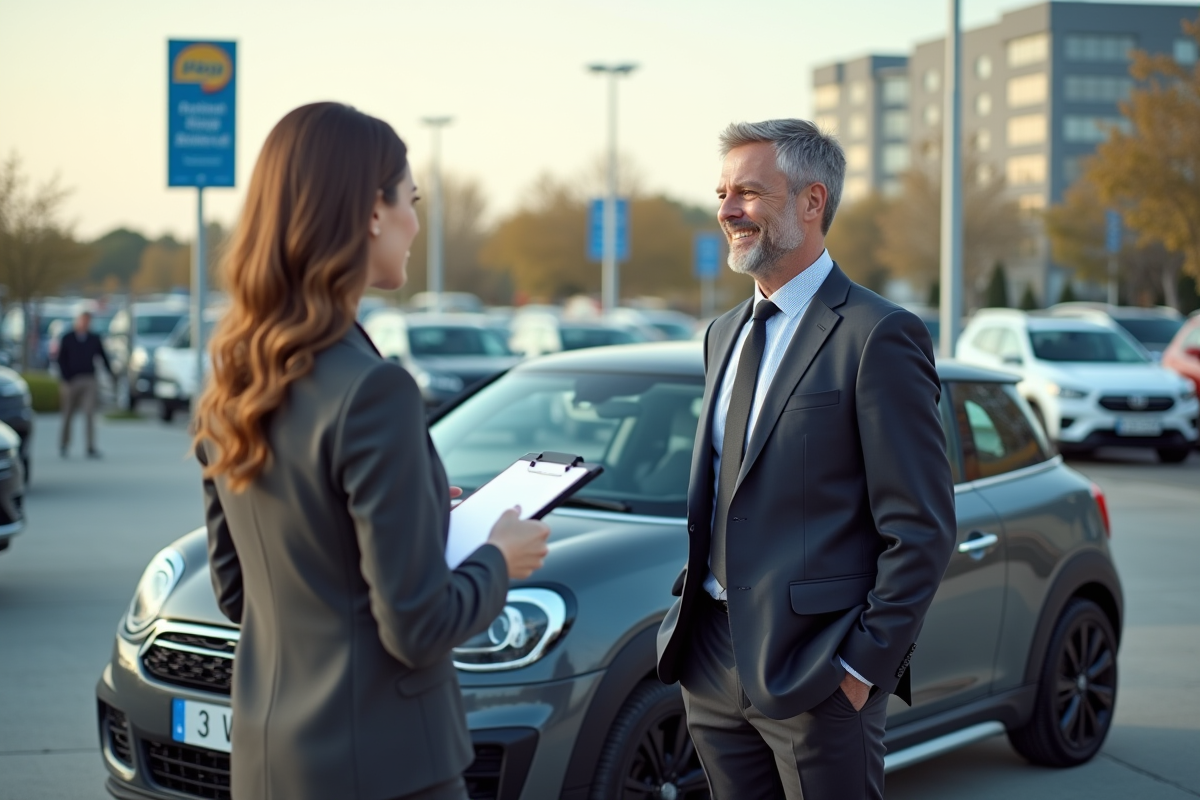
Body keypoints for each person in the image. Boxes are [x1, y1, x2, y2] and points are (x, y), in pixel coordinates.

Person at [192, 103, 551, 800]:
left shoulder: (233, 378)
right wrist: (498, 558)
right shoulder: (373, 389)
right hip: (387, 773)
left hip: (271, 767)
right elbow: (419, 628)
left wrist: (420, 516)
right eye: (410, 200)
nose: (417, 222)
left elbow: (242, 593)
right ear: (370, 213)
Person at [656, 119, 957, 800]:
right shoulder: (722, 334)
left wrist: (861, 669)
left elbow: (923, 529)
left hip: (817, 673)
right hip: (710, 661)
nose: (728, 210)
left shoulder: (877, 335)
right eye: (723, 192)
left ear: (812, 202)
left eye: (750, 193)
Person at [55, 309, 114, 458]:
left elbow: (103, 356)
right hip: (71, 380)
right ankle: (64, 444)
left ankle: (90, 446)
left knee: (89, 413)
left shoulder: (94, 338)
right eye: (83, 320)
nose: (85, 324)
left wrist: (110, 373)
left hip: (89, 379)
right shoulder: (67, 338)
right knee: (68, 414)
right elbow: (60, 360)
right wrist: (66, 377)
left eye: (88, 321)